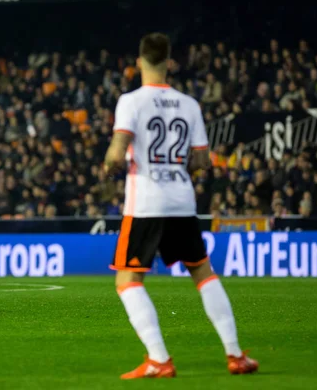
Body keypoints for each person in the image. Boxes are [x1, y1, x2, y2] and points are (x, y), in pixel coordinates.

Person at [103, 33, 258, 379]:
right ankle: (235, 355)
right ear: (169, 63)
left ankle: (159, 359)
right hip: (182, 199)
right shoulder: (188, 104)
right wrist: (176, 171)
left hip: (145, 202)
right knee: (202, 271)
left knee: (128, 279)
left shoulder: (131, 101)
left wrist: (109, 166)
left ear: (140, 62)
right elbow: (201, 159)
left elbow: (117, 152)